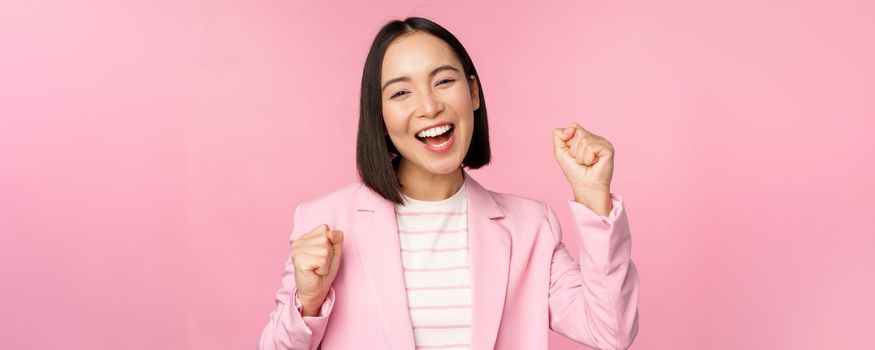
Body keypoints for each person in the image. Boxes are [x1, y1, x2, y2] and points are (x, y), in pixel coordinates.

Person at [257, 17, 639, 350]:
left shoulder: (531, 226)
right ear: (380, 115)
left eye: (443, 81)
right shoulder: (325, 220)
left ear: (472, 93)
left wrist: (592, 198)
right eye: (401, 92)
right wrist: (307, 302)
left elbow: (612, 332)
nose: (429, 106)